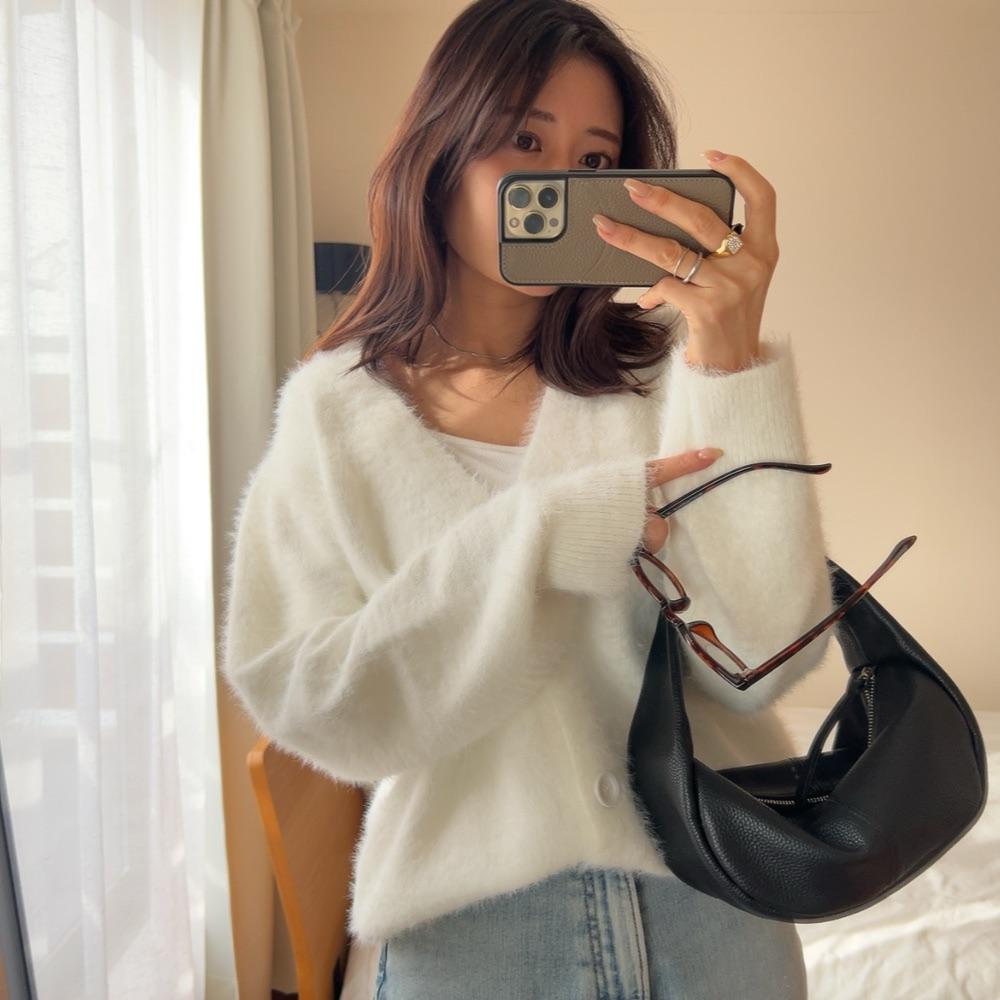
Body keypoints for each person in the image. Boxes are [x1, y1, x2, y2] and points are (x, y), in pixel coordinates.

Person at [221, 1, 836, 996]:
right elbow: (309, 699)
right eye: (524, 140)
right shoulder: (334, 417)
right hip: (473, 936)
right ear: (441, 150)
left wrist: (729, 359)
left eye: (596, 161)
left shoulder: (669, 374)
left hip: (711, 908)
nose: (563, 185)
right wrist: (544, 534)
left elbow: (767, 660)